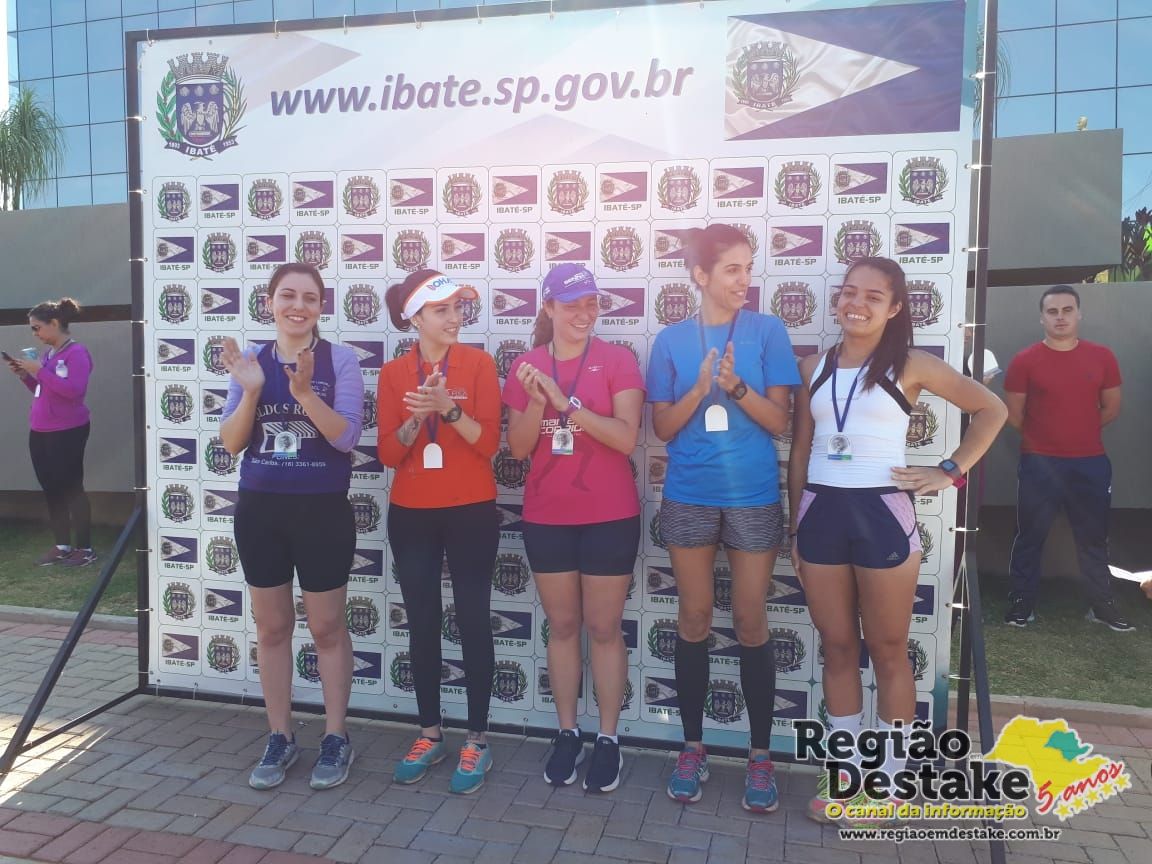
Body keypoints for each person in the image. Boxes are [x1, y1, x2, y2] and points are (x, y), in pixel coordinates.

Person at [787, 257, 1006, 822]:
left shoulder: (911, 363)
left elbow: (992, 409)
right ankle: (844, 775)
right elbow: (802, 450)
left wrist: (949, 471)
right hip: (821, 513)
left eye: (872, 296)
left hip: (881, 514)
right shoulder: (812, 366)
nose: (856, 304)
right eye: (849, 292)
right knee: (837, 648)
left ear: (895, 307)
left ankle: (890, 780)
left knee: (887, 650)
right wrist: (795, 525)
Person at [646, 224, 799, 813]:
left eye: (748, 267)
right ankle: (693, 747)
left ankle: (760, 757)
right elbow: (662, 428)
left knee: (751, 620)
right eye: (733, 269)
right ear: (700, 275)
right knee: (694, 618)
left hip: (754, 497)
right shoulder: (670, 340)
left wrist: (734, 387)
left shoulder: (767, 330)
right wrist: (700, 389)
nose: (745, 279)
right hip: (689, 495)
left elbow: (781, 422)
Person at [218, 262, 364, 791]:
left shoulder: (340, 360)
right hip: (261, 511)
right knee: (273, 628)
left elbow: (346, 438)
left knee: (326, 628)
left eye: (308, 297)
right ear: (270, 302)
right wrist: (252, 391)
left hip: (321, 511)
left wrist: (304, 393)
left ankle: (336, 736)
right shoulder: (251, 361)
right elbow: (231, 442)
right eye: (287, 295)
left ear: (321, 307)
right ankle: (279, 735)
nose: (297, 306)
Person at [503, 264, 645, 793]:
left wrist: (569, 407)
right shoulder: (527, 366)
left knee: (604, 629)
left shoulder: (617, 359)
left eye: (591, 304)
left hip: (609, 514)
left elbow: (625, 438)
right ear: (548, 308)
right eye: (571, 305)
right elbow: (519, 448)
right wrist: (540, 401)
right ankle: (568, 732)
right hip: (547, 516)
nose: (584, 314)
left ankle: (608, 738)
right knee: (562, 627)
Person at [377, 270, 501, 795]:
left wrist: (447, 409)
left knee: (472, 619)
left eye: (458, 308)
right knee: (423, 622)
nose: (455, 318)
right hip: (412, 512)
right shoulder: (392, 373)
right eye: (442, 309)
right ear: (415, 317)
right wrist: (416, 419)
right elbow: (389, 452)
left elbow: (488, 443)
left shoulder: (479, 364)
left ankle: (476, 739)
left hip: (471, 508)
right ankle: (430, 734)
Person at [1002, 286, 1131, 632]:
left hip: (1090, 463)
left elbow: (1111, 408)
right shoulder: (1025, 360)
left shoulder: (1102, 357)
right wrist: (1045, 438)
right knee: (1030, 535)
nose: (1060, 317)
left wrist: (1079, 432)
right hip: (1039, 463)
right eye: (1053, 311)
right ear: (1042, 317)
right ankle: (1021, 603)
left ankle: (1101, 607)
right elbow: (1013, 414)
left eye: (1067, 310)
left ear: (1079, 314)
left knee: (1093, 537)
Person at [5, 298, 96, 567]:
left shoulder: (77, 353)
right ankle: (62, 545)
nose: (35, 333)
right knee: (51, 488)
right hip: (40, 430)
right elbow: (43, 391)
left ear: (54, 323)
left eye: (37, 327)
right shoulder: (48, 355)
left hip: (67, 430)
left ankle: (85, 549)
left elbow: (74, 392)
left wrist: (40, 371)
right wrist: (25, 376)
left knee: (72, 488)